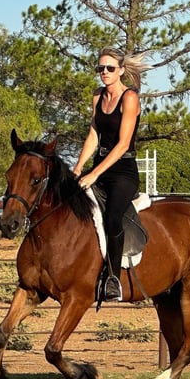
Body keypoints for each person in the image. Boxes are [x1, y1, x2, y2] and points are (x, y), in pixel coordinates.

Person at [73, 47, 150, 301]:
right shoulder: (97, 96)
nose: (104, 73)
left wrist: (94, 174)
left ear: (121, 70)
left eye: (109, 68)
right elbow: (94, 134)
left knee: (113, 216)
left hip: (123, 172)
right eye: (100, 68)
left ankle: (113, 279)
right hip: (98, 167)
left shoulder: (130, 98)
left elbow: (123, 144)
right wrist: (78, 167)